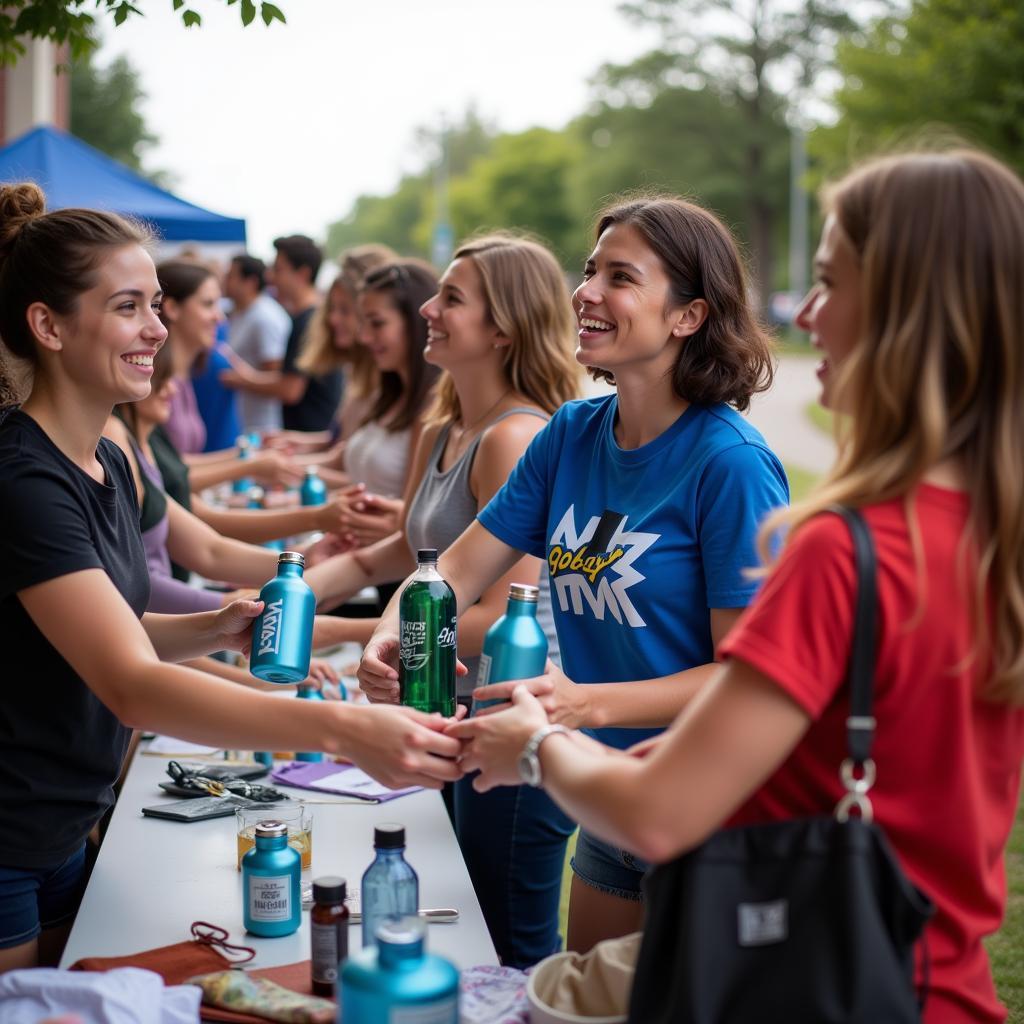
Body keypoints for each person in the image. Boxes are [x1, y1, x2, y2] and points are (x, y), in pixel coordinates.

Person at [449, 150, 1024, 1023]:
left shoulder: (840, 542)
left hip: (818, 970)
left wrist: (535, 741)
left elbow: (662, 813)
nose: (812, 314)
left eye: (831, 282)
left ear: (909, 306)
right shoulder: (986, 530)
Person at [0, 184, 463, 972]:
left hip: (62, 823)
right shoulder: (22, 478)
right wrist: (343, 728)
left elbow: (106, 626)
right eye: (127, 307)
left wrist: (213, 629)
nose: (158, 327)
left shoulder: (107, 456)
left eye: (156, 303)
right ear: (47, 325)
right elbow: (130, 684)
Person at [359, 197, 788, 953]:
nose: (585, 291)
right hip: (606, 787)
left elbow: (747, 675)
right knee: (581, 998)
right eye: (589, 271)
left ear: (688, 316)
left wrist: (581, 703)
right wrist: (393, 633)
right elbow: (453, 568)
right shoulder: (571, 433)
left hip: (711, 805)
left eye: (619, 277)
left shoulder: (730, 466)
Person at [311, 234, 581, 966]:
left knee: (508, 938)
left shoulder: (515, 437)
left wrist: (371, 637)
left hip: (510, 715)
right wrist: (298, 598)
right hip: (452, 711)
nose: (428, 307)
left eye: (451, 299)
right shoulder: (444, 425)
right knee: (460, 916)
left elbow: (500, 612)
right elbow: (405, 557)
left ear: (504, 327)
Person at [221, 234, 341, 434]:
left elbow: (290, 389)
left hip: (308, 435)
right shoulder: (305, 317)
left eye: (278, 269)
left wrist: (243, 378)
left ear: (302, 274)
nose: (270, 277)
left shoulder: (309, 321)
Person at [222, 253, 291, 434]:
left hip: (260, 428)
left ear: (250, 282)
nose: (224, 281)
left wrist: (244, 379)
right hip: (243, 422)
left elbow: (276, 375)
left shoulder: (265, 317)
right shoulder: (239, 312)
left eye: (230, 276)